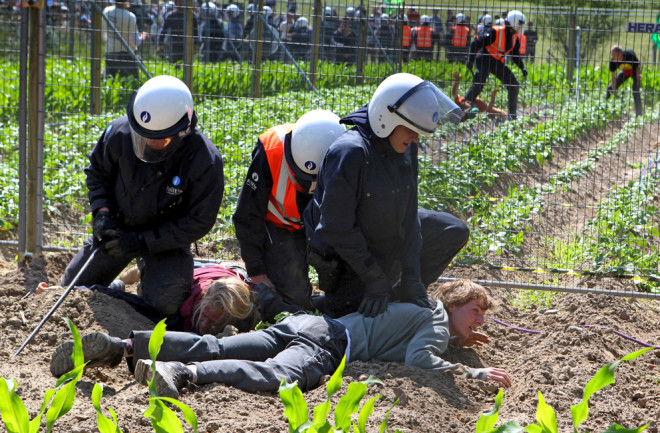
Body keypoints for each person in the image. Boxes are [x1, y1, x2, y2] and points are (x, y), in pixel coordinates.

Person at [49, 279, 512, 397]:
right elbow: (420, 359)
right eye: (476, 312)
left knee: (220, 344)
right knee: (275, 377)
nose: (480, 322)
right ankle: (180, 373)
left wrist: (458, 341)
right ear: (454, 304)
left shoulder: (421, 311)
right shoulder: (432, 323)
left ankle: (120, 346)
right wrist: (470, 369)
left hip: (306, 324)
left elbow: (418, 342)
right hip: (329, 347)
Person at [59, 75, 224, 321]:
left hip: (165, 241)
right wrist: (102, 213)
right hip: (117, 230)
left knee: (165, 305)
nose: (149, 142)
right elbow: (97, 174)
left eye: (161, 138)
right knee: (72, 289)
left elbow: (198, 222)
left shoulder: (205, 161)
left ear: (184, 129)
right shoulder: (118, 133)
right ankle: (115, 288)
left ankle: (128, 289)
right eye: (143, 134)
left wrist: (142, 241)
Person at [303, 73, 468, 319]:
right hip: (346, 256)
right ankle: (319, 303)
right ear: (386, 119)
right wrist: (374, 279)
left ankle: (399, 291)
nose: (416, 138)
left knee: (453, 230)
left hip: (381, 231)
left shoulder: (404, 147)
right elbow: (336, 229)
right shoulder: (350, 153)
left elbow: (410, 214)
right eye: (411, 129)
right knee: (349, 316)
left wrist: (413, 279)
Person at [232, 110, 345, 317]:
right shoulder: (270, 149)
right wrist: (256, 271)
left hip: (326, 229)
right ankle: (306, 303)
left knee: (345, 295)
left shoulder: (347, 156)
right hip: (279, 228)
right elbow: (247, 216)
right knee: (293, 301)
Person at [464, 10, 527, 120]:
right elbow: (476, 43)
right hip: (485, 59)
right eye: (520, 24)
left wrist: (522, 67)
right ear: (514, 22)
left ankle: (512, 116)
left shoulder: (514, 38)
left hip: (498, 63)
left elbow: (515, 55)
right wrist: (471, 60)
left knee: (514, 85)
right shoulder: (495, 31)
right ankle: (463, 107)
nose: (521, 27)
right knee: (478, 84)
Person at [102, 0, 146, 79]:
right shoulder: (130, 17)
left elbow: (104, 36)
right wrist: (143, 36)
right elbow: (136, 41)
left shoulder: (106, 11)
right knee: (132, 82)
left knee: (110, 81)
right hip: (127, 55)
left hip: (110, 52)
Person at [606, 45, 643, 116]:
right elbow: (613, 77)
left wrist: (638, 75)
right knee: (609, 89)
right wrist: (613, 89)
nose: (612, 57)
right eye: (611, 55)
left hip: (634, 71)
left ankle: (639, 115)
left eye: (613, 55)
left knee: (636, 91)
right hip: (625, 72)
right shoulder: (613, 61)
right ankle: (607, 111)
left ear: (620, 54)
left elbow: (638, 66)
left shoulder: (629, 55)